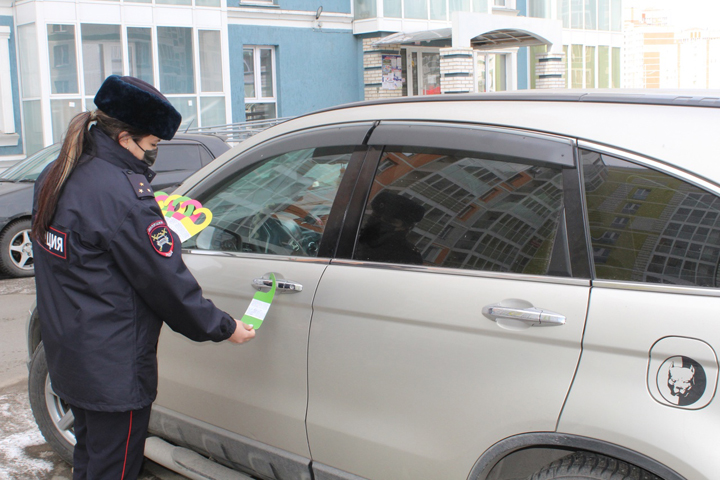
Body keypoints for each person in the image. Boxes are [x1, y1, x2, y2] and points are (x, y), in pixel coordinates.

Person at [31, 75, 256, 480]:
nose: (152, 155)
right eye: (151, 146)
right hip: (113, 370)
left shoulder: (57, 173)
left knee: (91, 459)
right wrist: (224, 327)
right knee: (113, 469)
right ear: (124, 139)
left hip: (72, 354)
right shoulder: (122, 196)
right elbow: (166, 283)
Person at [355, 190, 425, 265]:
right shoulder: (353, 236)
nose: (378, 221)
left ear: (405, 227)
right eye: (375, 216)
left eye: (389, 221)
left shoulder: (407, 256)